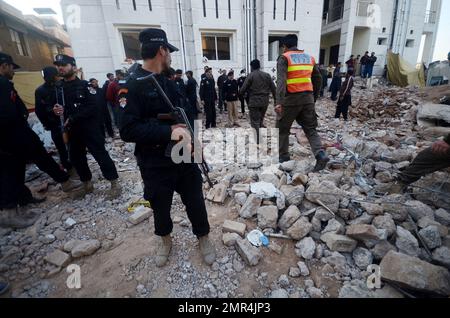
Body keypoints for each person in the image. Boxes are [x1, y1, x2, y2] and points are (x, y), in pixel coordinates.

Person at [119, 28, 216, 267]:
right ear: (161, 51)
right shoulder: (132, 85)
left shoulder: (170, 82)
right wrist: (169, 131)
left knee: (195, 200)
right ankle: (165, 239)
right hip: (154, 161)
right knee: (160, 205)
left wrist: (196, 141)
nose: (171, 56)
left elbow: (187, 114)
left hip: (184, 154)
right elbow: (127, 130)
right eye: (169, 51)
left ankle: (203, 237)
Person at [0, 53, 83, 229]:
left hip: (16, 134)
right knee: (11, 170)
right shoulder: (2, 85)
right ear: (4, 66)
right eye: (11, 68)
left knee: (25, 165)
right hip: (12, 136)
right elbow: (8, 115)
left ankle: (24, 198)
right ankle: (8, 212)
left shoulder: (5, 84)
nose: (13, 72)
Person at [52, 54, 120, 198]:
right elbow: (57, 107)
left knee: (100, 155)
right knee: (77, 158)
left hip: (89, 129)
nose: (60, 68)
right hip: (72, 131)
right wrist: (55, 110)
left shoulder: (85, 86)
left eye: (63, 65)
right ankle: (87, 184)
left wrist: (73, 117)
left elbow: (93, 107)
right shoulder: (59, 88)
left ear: (74, 67)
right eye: (58, 65)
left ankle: (114, 183)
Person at [275, 35, 329, 171]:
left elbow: (281, 81)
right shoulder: (309, 58)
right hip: (308, 99)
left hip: (291, 100)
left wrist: (279, 102)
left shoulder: (284, 57)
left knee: (282, 128)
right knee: (310, 129)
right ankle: (320, 154)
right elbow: (318, 79)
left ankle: (284, 158)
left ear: (284, 47)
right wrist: (313, 97)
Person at [35, 66, 73, 171]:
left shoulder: (62, 85)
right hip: (55, 124)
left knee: (74, 146)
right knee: (62, 148)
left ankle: (76, 165)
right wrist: (46, 123)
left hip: (69, 121)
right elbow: (39, 110)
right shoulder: (40, 91)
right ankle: (69, 168)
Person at [239, 59, 276, 143]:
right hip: (265, 102)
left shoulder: (251, 75)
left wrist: (242, 94)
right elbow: (274, 89)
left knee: (255, 121)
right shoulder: (267, 75)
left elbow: (242, 89)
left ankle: (258, 140)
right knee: (260, 119)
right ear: (259, 66)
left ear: (252, 67)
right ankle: (259, 135)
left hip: (254, 101)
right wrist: (276, 101)